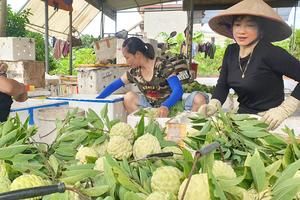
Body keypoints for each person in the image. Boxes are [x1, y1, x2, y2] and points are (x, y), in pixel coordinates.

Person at [198, 0, 300, 131]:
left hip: (269, 121)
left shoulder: (271, 53)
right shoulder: (231, 51)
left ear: (261, 30)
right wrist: (213, 103)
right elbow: (223, 84)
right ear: (232, 28)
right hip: (242, 118)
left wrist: (285, 109)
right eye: (237, 25)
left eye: (250, 25)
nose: (241, 31)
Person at [96, 37, 209, 118]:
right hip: (152, 110)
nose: (127, 61)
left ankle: (186, 127)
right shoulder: (134, 72)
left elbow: (178, 90)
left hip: (175, 107)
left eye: (128, 57)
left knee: (199, 99)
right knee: (129, 97)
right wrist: (97, 101)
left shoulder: (163, 65)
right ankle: (144, 127)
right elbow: (113, 86)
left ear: (138, 54)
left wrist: (166, 106)